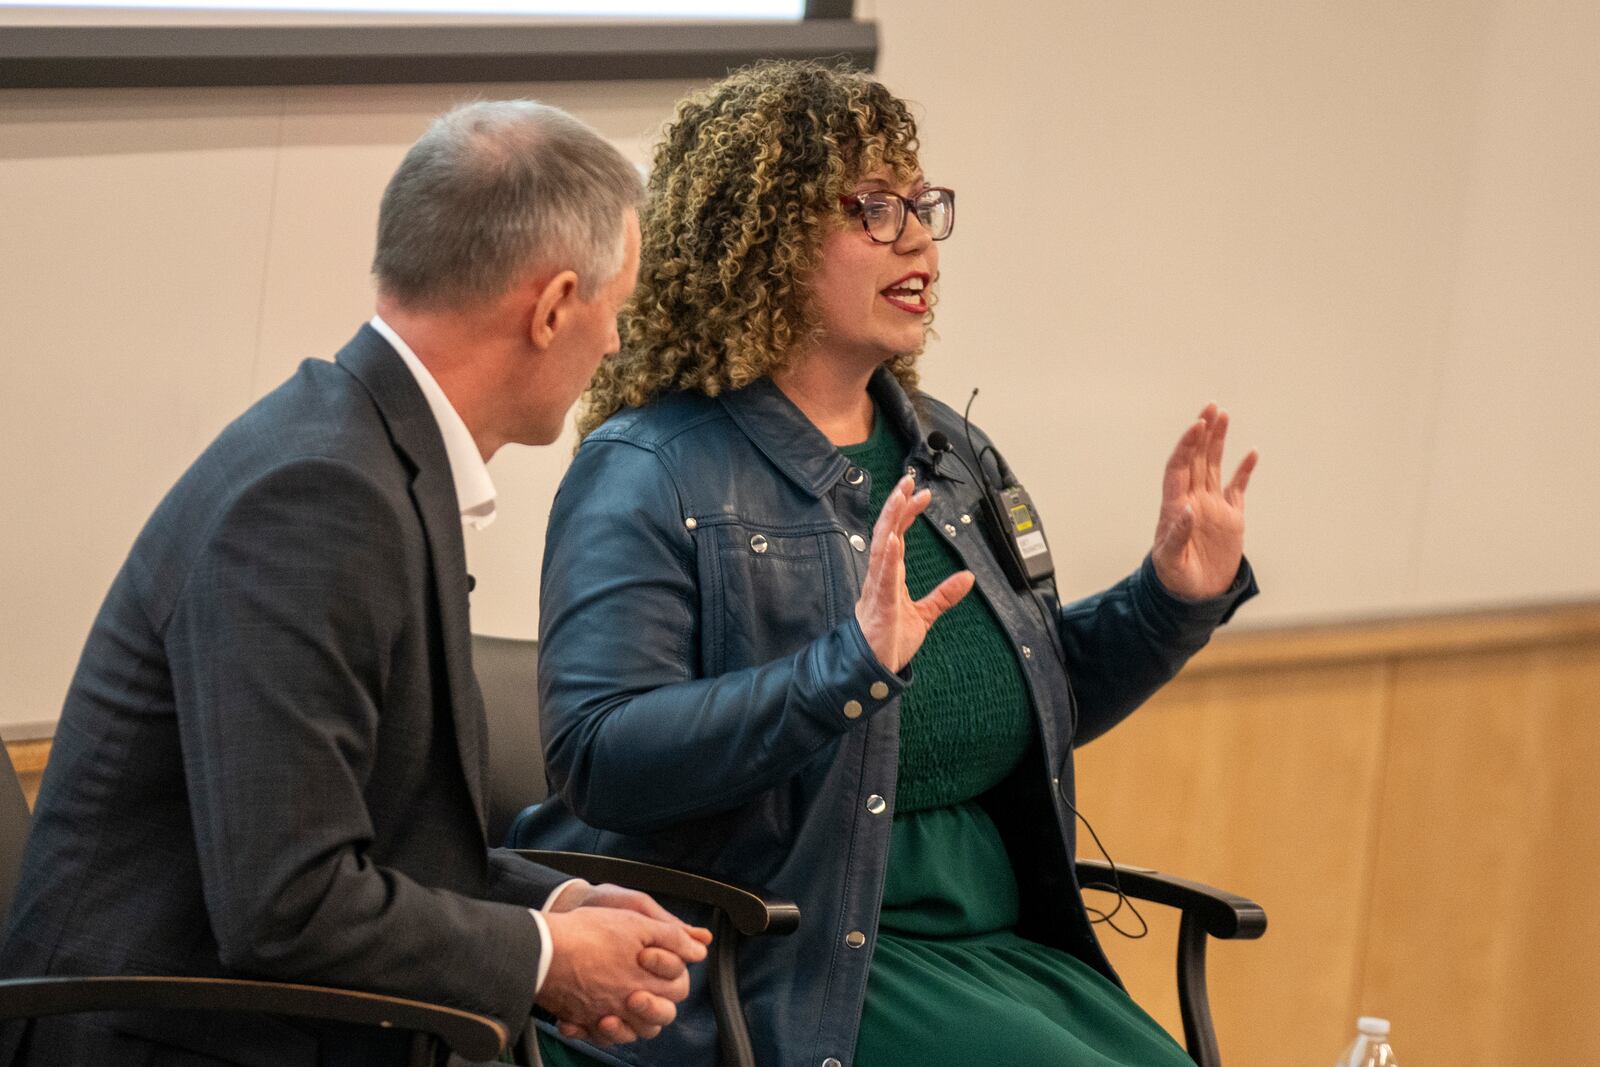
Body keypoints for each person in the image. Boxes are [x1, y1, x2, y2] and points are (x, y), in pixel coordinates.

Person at [511, 61, 1261, 1067]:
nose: (916, 238)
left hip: (998, 944)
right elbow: (602, 754)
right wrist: (843, 668)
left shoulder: (948, 453)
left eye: (920, 205)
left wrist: (1171, 598)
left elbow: (1024, 700)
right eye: (871, 208)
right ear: (761, 241)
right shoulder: (649, 467)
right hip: (798, 959)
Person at [0, 100, 712, 1067]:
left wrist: (550, 904)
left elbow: (354, 837)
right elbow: (286, 902)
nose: (617, 346)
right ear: (551, 307)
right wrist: (544, 957)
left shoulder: (358, 447)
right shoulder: (318, 497)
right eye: (614, 310)